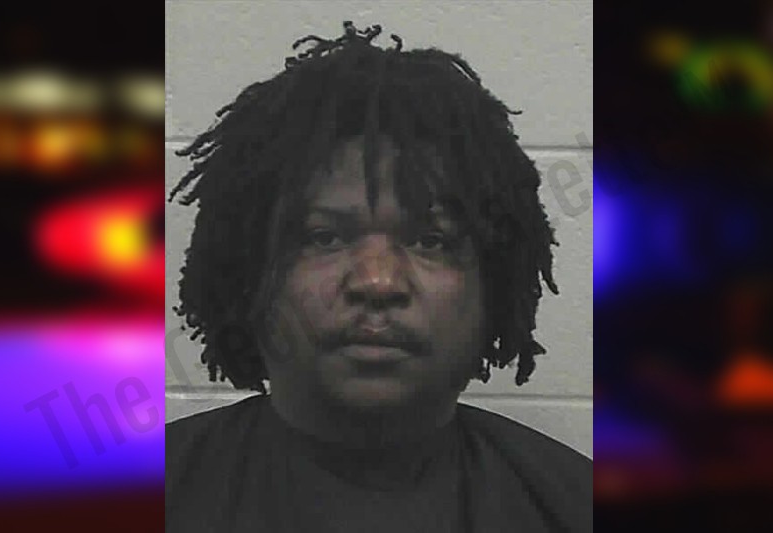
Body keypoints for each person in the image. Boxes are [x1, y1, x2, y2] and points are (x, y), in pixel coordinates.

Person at [166, 21, 591, 533]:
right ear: (246, 272)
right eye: (324, 237)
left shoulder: (573, 505)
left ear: (495, 285)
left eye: (430, 240)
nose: (378, 282)